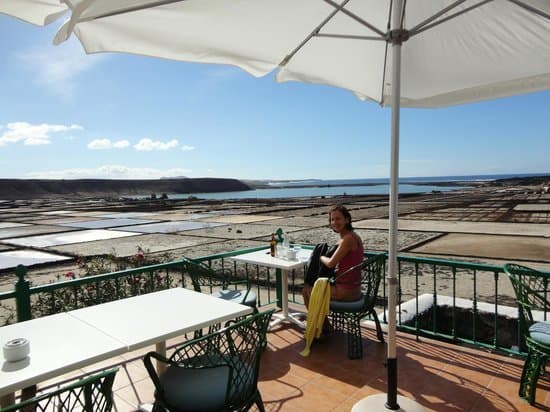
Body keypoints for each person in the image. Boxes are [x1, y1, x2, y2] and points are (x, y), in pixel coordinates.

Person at [302, 204, 364, 309]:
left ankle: (318, 324)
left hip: (346, 291)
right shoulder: (353, 235)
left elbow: (331, 263)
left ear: (347, 220)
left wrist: (320, 257)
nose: (335, 222)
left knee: (306, 291)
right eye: (332, 219)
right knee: (314, 288)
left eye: (338, 218)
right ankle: (322, 325)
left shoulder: (347, 239)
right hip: (354, 288)